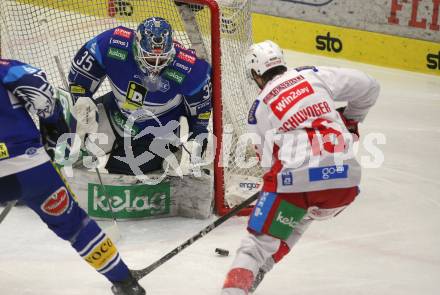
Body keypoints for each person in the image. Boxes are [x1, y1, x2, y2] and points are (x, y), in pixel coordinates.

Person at [221, 40, 380, 294]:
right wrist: (350, 120)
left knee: (257, 244)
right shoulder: (312, 75)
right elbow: (370, 86)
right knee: (303, 215)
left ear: (254, 74)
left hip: (298, 181)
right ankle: (263, 268)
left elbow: (269, 165)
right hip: (346, 181)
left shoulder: (258, 109)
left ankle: (244, 279)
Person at [0, 58, 145, 295]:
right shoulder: (6, 68)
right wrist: (52, 125)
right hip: (31, 169)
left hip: (25, 167)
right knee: (76, 225)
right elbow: (37, 84)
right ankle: (125, 282)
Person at [68, 16, 212, 175]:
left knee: (122, 170)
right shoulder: (112, 43)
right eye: (150, 57)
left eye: (162, 58)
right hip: (117, 113)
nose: (155, 66)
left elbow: (200, 117)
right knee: (69, 149)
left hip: (157, 129)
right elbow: (80, 82)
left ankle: (169, 154)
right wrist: (83, 109)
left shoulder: (190, 69)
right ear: (136, 46)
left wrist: (193, 150)